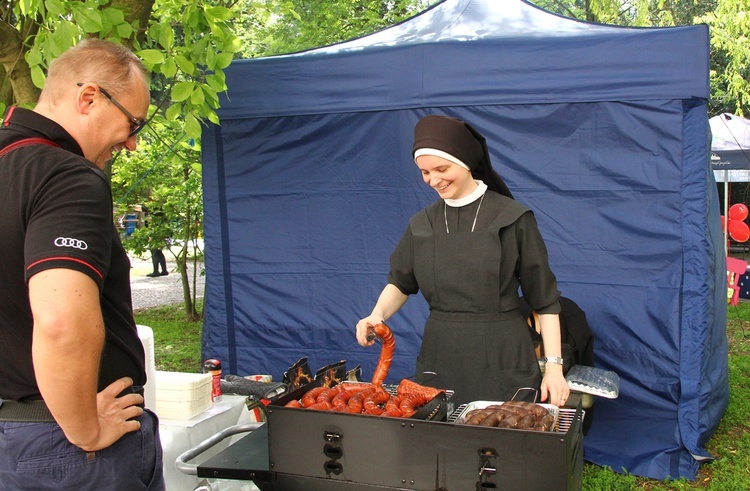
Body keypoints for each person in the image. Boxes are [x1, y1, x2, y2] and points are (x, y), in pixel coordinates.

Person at [0, 39, 164, 490]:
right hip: (69, 448)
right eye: (133, 124)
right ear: (89, 97)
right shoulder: (66, 174)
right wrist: (85, 429)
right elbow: (61, 322)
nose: (131, 144)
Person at [356, 114, 570, 407]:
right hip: (440, 355)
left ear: (467, 160)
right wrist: (377, 314)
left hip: (503, 357)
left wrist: (554, 368)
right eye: (424, 172)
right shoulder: (422, 224)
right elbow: (401, 282)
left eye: (442, 169)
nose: (433, 180)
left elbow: (544, 300)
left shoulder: (513, 219)